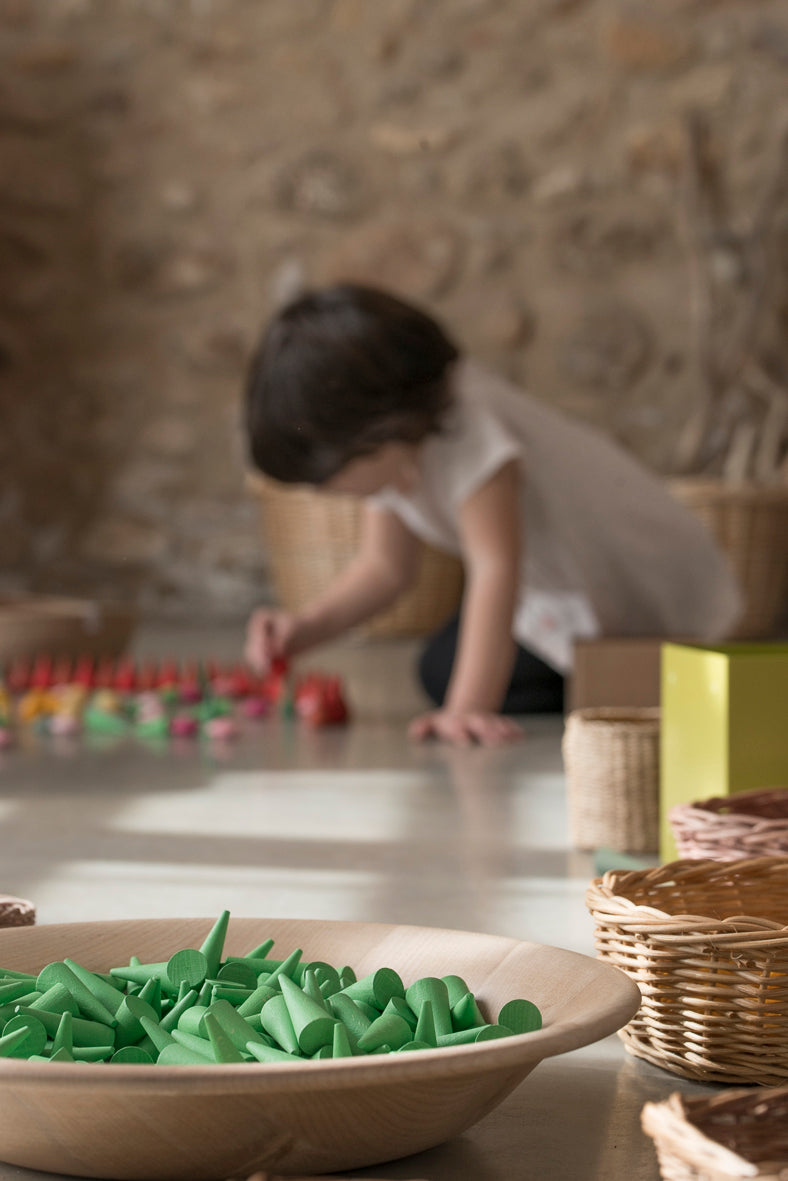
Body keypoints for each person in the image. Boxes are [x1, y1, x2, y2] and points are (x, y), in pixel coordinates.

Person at [243, 282, 742, 745]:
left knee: (457, 677)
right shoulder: (397, 450)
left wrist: (466, 709)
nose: (326, 492)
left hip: (640, 585)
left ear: (378, 434)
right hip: (554, 587)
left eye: (327, 476)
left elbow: (493, 567)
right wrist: (304, 629)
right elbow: (385, 570)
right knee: (438, 667)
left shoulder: (468, 430)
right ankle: (592, 681)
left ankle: (628, 681)